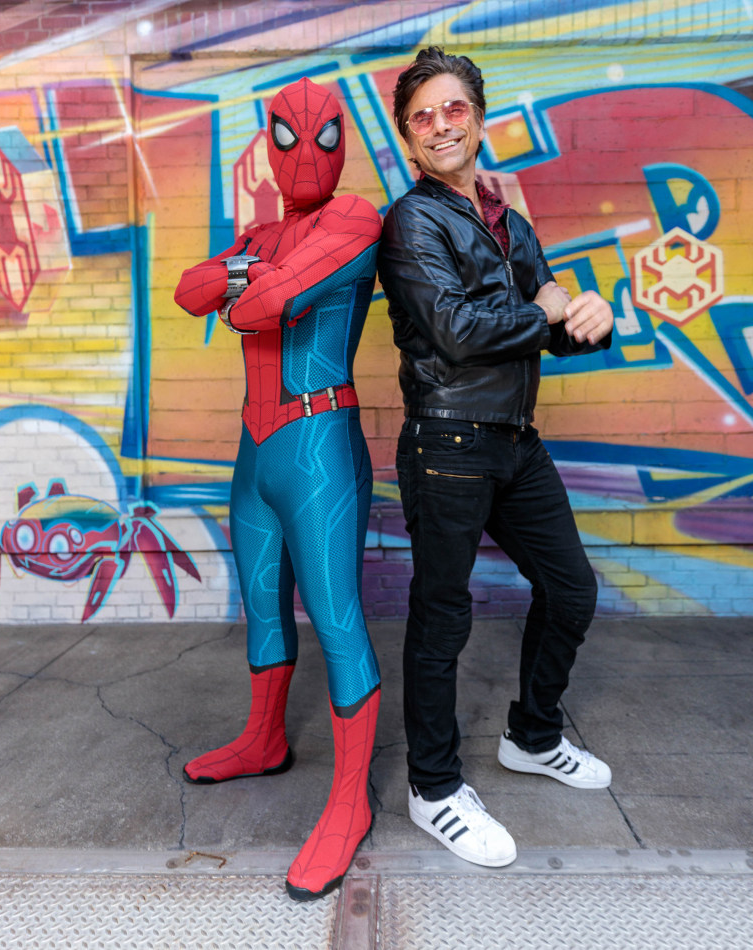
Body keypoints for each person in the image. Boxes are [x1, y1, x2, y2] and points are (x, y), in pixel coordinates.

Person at [377, 47, 614, 868]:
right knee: (443, 616)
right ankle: (433, 788)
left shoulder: (507, 219)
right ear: (408, 139)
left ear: (478, 116)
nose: (441, 124)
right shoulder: (411, 221)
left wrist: (590, 319)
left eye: (453, 109)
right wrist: (540, 306)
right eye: (423, 117)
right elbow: (456, 330)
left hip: (515, 440)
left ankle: (533, 736)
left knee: (573, 591)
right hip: (446, 442)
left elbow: (545, 325)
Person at [174, 77, 382, 901]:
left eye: (322, 135)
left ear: (342, 137)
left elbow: (255, 303)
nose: (304, 153)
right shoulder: (261, 230)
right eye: (287, 137)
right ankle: (263, 740)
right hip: (258, 450)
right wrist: (244, 276)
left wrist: (248, 279)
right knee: (261, 607)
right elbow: (192, 287)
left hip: (320, 444)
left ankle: (348, 801)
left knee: (336, 618)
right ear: (268, 139)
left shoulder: (358, 218)